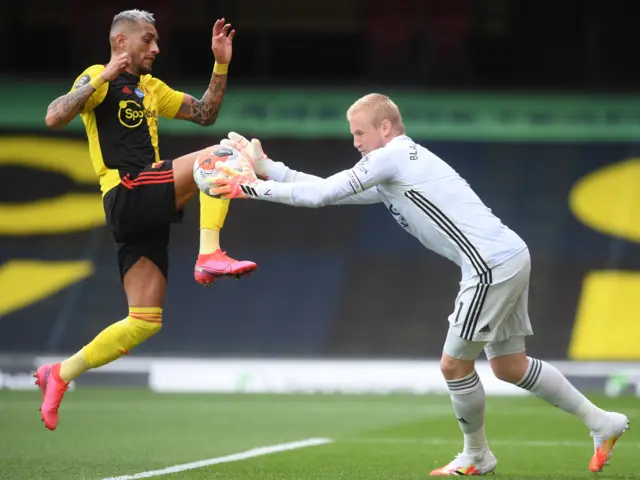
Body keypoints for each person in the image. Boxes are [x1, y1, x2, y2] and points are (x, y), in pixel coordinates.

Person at [209, 94, 629, 475]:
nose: (355, 141)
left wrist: (250, 186)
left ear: (386, 128)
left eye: (359, 132)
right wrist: (267, 168)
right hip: (505, 255)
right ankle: (602, 422)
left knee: (453, 365)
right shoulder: (396, 168)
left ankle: (477, 455)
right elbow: (325, 191)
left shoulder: (390, 158)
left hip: (489, 265)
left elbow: (319, 197)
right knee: (508, 366)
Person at [34, 9, 256, 431]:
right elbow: (54, 115)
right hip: (126, 190)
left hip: (143, 204)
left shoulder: (151, 88)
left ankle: (59, 374)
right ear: (121, 42)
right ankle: (209, 253)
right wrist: (103, 77)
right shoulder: (97, 78)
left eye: (156, 41)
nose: (155, 48)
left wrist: (221, 63)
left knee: (144, 321)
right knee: (221, 157)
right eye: (147, 40)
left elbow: (206, 113)